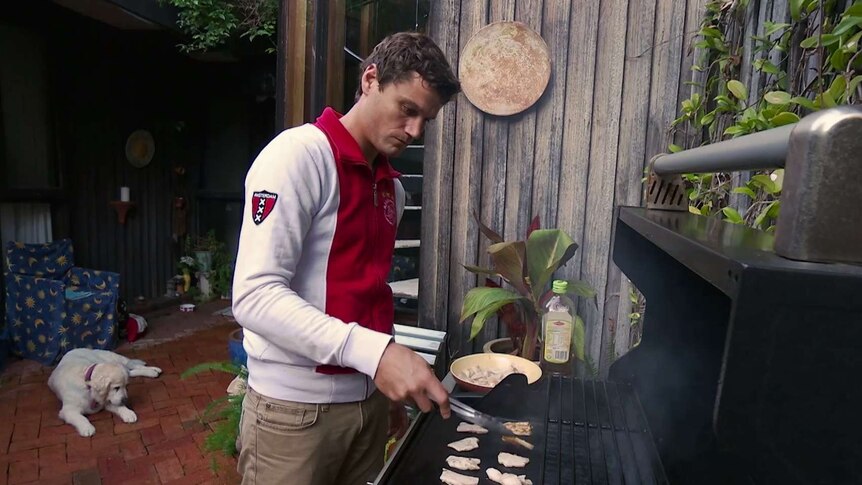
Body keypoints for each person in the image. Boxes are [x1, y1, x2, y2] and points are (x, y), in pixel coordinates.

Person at [232, 32, 461, 485]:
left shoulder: (391, 187)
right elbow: (254, 296)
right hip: (293, 416)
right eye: (408, 110)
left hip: (368, 406)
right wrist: (378, 356)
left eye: (426, 120)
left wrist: (385, 386)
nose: (415, 131)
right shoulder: (298, 156)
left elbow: (371, 292)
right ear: (371, 79)